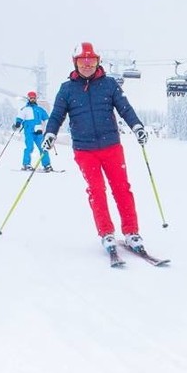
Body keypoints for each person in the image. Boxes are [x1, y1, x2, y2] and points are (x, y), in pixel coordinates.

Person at [41, 42, 149, 256]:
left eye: (92, 60)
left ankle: (131, 232)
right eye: (83, 60)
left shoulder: (109, 84)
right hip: (84, 150)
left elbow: (125, 108)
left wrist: (137, 126)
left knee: (122, 188)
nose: (88, 64)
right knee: (97, 190)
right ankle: (106, 233)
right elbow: (56, 115)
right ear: (75, 63)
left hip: (111, 146)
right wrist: (50, 133)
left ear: (98, 61)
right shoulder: (67, 88)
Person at [13, 91, 52, 171]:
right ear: (28, 99)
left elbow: (46, 118)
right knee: (29, 147)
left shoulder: (40, 109)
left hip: (38, 132)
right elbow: (20, 117)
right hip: (29, 131)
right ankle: (26, 164)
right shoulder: (25, 109)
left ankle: (47, 165)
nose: (33, 99)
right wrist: (18, 122)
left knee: (43, 148)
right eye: (31, 98)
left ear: (36, 99)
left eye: (34, 98)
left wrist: (51, 126)